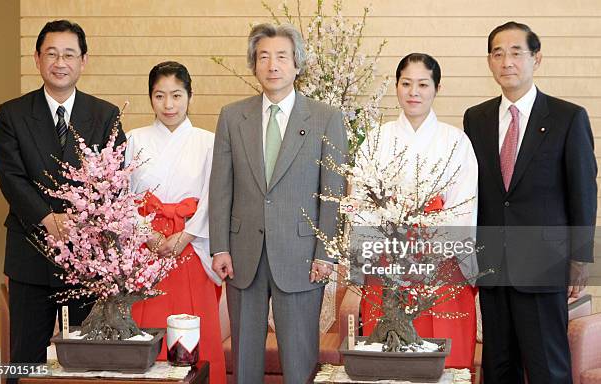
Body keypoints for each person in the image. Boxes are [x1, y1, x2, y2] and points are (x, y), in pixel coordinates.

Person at [209, 23, 347, 384]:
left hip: (302, 256)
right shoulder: (232, 116)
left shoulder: (326, 118)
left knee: (300, 359)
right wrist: (220, 247)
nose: (273, 65)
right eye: (264, 56)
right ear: (254, 64)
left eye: (282, 57)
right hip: (242, 255)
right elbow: (221, 187)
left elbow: (333, 193)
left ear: (297, 65)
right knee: (244, 360)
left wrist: (325, 253)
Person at [464, 21, 596, 384]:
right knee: (498, 364)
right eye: (497, 53)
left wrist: (579, 257)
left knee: (547, 367)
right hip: (491, 264)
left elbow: (583, 190)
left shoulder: (568, 117)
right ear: (489, 62)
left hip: (543, 265)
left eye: (516, 52)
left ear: (537, 58)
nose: (506, 61)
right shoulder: (476, 118)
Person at [0, 19, 125, 368]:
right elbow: (11, 177)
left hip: (85, 259)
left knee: (85, 360)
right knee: (25, 360)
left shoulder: (105, 115)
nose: (60, 62)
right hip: (30, 253)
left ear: (84, 60)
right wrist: (47, 218)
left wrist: (80, 222)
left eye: (69, 54)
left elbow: (114, 182)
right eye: (51, 53)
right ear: (37, 58)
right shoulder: (13, 114)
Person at [359, 53, 479, 369]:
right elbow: (360, 200)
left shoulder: (456, 141)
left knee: (444, 355)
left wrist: (425, 241)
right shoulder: (376, 140)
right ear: (397, 86)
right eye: (406, 83)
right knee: (388, 356)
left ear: (436, 88)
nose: (414, 92)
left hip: (440, 263)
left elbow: (463, 206)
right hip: (387, 258)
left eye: (423, 84)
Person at [125, 61, 226, 384]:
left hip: (192, 245)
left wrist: (187, 234)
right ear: (150, 98)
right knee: (146, 325)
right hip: (146, 249)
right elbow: (122, 195)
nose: (168, 105)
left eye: (177, 95)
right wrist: (148, 233)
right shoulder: (133, 140)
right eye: (160, 96)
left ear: (189, 96)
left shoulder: (208, 141)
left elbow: (216, 196)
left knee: (196, 332)